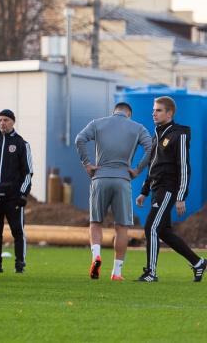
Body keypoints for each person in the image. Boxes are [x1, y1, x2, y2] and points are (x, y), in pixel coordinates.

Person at [75, 101, 153, 281]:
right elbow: (151, 148)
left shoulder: (97, 123)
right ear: (129, 114)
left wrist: (87, 164)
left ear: (114, 112)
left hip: (100, 178)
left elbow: (79, 139)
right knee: (122, 227)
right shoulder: (138, 128)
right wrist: (138, 169)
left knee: (96, 222)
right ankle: (116, 272)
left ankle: (96, 256)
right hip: (123, 179)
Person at [135, 96, 206, 282]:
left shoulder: (179, 135)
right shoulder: (157, 135)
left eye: (158, 110)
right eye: (153, 110)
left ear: (169, 113)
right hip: (156, 188)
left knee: (151, 226)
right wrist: (144, 190)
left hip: (168, 189)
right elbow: (153, 165)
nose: (154, 113)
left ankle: (151, 272)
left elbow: (184, 167)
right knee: (164, 231)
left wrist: (181, 196)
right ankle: (198, 263)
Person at [0, 109, 32, 274]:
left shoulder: (21, 144)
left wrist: (22, 194)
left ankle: (20, 264)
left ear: (13, 122)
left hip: (13, 197)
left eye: (6, 120)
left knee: (17, 230)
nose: (2, 123)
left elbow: (28, 173)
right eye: (0, 120)